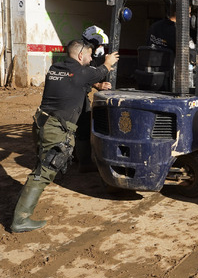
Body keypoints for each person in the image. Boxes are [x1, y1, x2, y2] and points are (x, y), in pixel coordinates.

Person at [10, 39, 119, 233]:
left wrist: (97, 85)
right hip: (55, 129)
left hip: (41, 123)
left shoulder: (56, 68)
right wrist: (108, 62)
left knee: (43, 163)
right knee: (45, 171)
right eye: (88, 54)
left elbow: (78, 80)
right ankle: (20, 219)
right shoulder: (81, 72)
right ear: (79, 55)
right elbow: (101, 70)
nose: (90, 58)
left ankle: (84, 163)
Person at [75, 25, 112, 172]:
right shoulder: (83, 57)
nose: (102, 48)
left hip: (73, 95)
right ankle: (84, 163)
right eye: (100, 45)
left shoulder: (79, 52)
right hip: (77, 97)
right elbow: (86, 75)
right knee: (83, 127)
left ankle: (76, 156)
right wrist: (99, 82)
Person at [147, 0, 198, 75]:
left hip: (149, 74)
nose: (190, 16)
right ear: (180, 13)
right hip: (169, 76)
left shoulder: (154, 27)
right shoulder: (179, 32)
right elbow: (194, 56)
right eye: (189, 13)